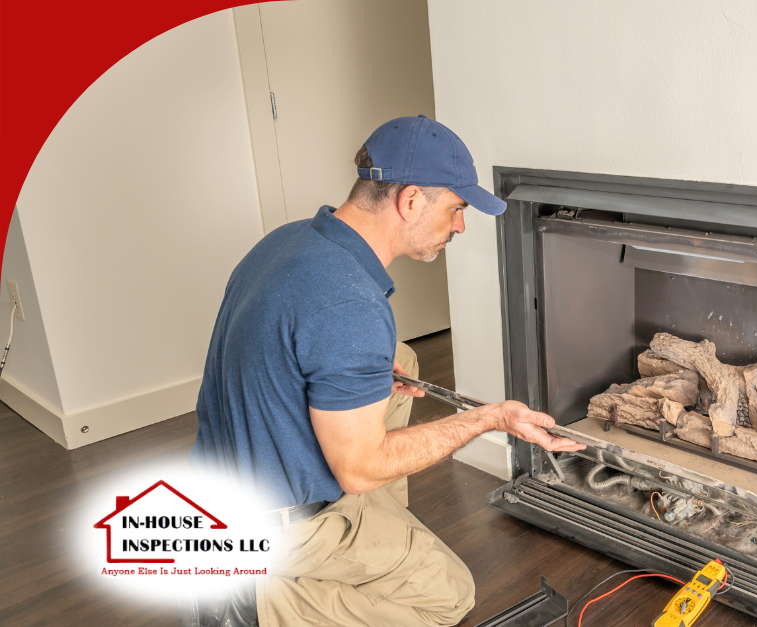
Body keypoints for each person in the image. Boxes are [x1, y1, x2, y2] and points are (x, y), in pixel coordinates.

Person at [187, 115, 583, 627]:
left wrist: (357, 371)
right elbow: (357, 467)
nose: (460, 225)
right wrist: (488, 419)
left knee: (404, 359)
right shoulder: (348, 304)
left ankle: (366, 529)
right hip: (272, 526)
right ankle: (253, 601)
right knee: (448, 594)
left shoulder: (290, 242)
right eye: (457, 208)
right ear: (411, 200)